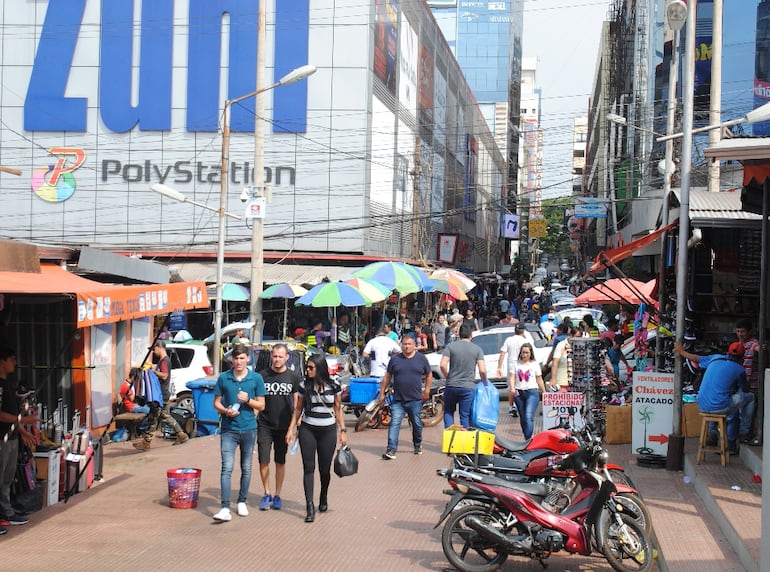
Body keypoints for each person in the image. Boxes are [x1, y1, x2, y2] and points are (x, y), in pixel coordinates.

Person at [286, 354, 347, 523]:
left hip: (327, 430)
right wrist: (291, 429)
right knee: (308, 468)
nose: (308, 370)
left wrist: (343, 431)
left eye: (311, 367)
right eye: (307, 367)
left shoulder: (334, 385)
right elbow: (298, 410)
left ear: (320, 368)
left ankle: (323, 496)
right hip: (308, 429)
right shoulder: (303, 385)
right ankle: (309, 506)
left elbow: (338, 408)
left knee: (324, 470)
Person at [212, 345, 266, 521]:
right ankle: (225, 507)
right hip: (229, 429)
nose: (238, 362)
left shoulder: (255, 378)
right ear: (231, 360)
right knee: (226, 467)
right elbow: (216, 403)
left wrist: (248, 400)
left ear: (248, 359)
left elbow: (261, 405)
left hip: (249, 428)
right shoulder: (224, 378)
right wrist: (225, 411)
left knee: (246, 467)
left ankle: (242, 501)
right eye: (236, 358)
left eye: (242, 358)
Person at [674, 341, 755, 454]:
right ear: (742, 357)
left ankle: (712, 432)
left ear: (727, 353)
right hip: (720, 406)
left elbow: (695, 358)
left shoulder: (715, 358)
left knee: (718, 400)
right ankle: (743, 433)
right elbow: (745, 388)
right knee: (749, 398)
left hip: (701, 404)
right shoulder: (739, 369)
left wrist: (681, 351)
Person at [257, 344, 301, 511]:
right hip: (264, 424)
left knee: (280, 461)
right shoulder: (262, 376)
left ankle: (277, 495)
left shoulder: (293, 376)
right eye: (274, 356)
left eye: (280, 357)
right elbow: (257, 399)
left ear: (286, 357)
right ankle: (266, 493)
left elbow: (297, 403)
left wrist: (294, 426)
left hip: (284, 425)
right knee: (263, 460)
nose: (277, 360)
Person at [0, 347, 37, 530]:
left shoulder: (9, 383)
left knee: (7, 478)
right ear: (2, 362)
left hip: (13, 437)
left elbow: (13, 413)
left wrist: (23, 430)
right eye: (11, 359)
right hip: (2, 438)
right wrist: (22, 419)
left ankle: (6, 511)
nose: (14, 362)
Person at [380, 335, 432, 460]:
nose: (407, 346)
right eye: (404, 344)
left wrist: (427, 390)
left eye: (409, 344)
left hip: (415, 399)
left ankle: (417, 444)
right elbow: (387, 376)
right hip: (398, 399)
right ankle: (391, 450)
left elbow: (429, 374)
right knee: (394, 424)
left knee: (417, 424)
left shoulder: (421, 359)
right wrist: (382, 393)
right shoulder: (395, 359)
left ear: (414, 345)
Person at [134, 341, 189, 449]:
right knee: (163, 416)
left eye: (154, 349)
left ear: (159, 347)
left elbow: (164, 376)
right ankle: (181, 435)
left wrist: (153, 372)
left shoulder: (164, 361)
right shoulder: (163, 361)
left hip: (161, 394)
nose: (154, 352)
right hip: (162, 394)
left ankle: (146, 442)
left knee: (154, 418)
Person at [440, 324, 487, 428]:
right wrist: (485, 383)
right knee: (465, 415)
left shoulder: (450, 346)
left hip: (451, 385)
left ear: (459, 334)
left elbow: (443, 365)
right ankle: (465, 442)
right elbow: (482, 371)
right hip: (467, 387)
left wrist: (448, 376)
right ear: (471, 335)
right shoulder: (477, 349)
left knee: (448, 412)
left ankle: (450, 439)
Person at [496, 323, 534, 416]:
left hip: (511, 367)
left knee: (512, 388)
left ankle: (511, 406)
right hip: (522, 366)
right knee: (522, 386)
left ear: (514, 330)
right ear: (523, 331)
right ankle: (521, 405)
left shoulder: (509, 340)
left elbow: (502, 353)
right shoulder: (525, 341)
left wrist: (499, 367)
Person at [511, 343, 545, 439]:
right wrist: (512, 388)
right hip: (519, 393)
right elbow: (512, 377)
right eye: (523, 353)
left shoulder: (534, 364)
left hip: (532, 392)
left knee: (528, 416)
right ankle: (527, 438)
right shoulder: (516, 364)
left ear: (531, 353)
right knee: (522, 418)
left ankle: (528, 440)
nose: (525, 355)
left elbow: (539, 379)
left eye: (527, 353)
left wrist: (544, 391)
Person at [549, 323, 572, 391]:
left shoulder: (558, 340)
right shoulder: (567, 338)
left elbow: (553, 353)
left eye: (557, 330)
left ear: (561, 330)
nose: (556, 332)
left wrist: (547, 364)